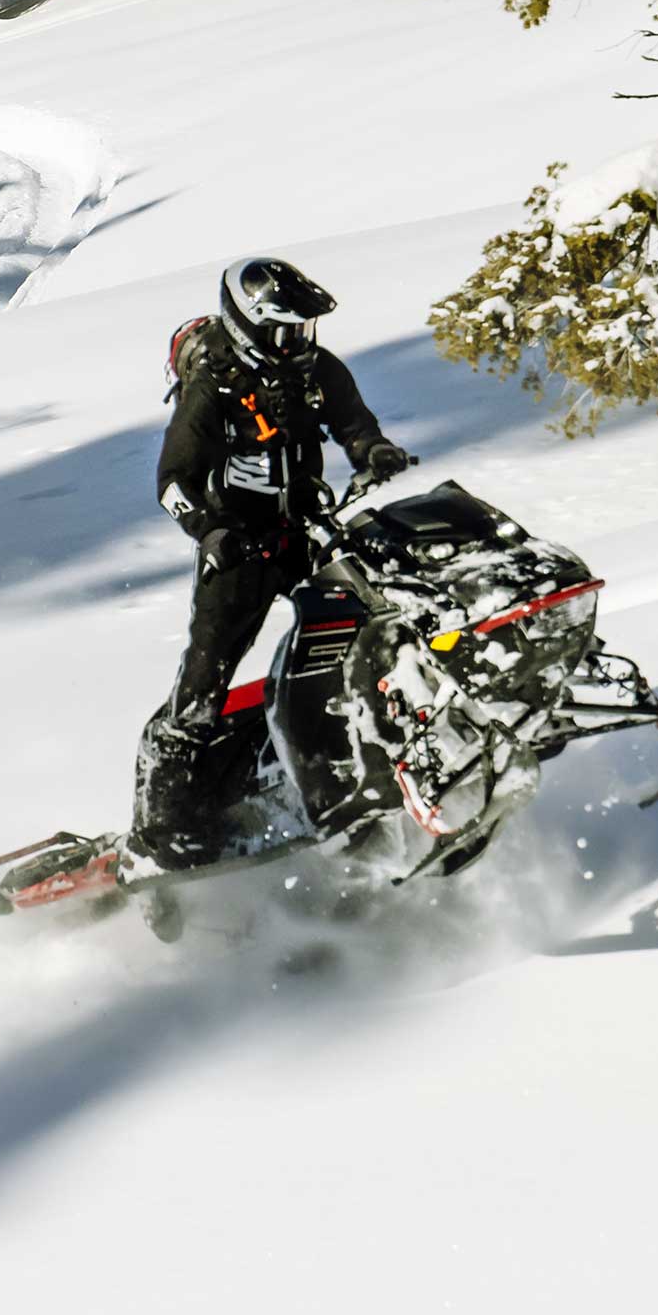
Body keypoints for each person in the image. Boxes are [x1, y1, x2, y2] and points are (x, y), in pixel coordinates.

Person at [129, 256, 414, 868]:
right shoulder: (213, 386)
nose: (298, 342)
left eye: (303, 330)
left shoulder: (316, 368)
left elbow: (354, 424)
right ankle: (163, 828)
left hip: (309, 529)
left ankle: (382, 736)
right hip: (240, 545)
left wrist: (375, 450)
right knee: (205, 679)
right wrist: (210, 532)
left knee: (379, 615)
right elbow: (172, 481)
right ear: (249, 327)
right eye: (285, 330)